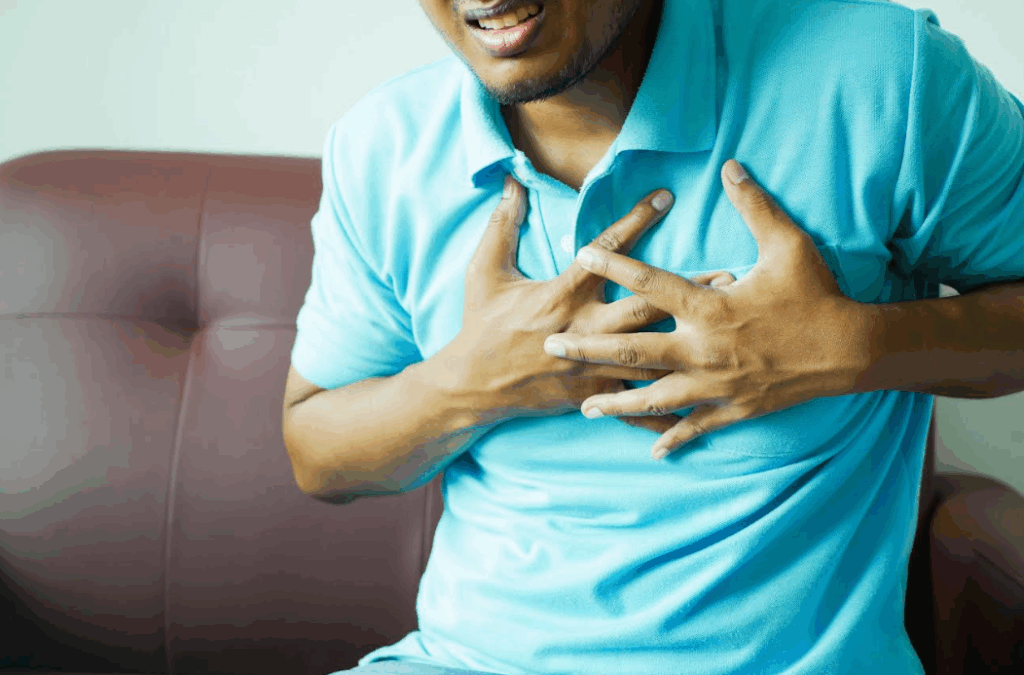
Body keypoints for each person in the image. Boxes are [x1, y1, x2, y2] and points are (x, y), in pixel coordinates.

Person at [281, 0, 1024, 673]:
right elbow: (318, 453)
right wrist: (469, 384)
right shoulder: (379, 146)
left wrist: (853, 349)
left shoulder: (885, 71)